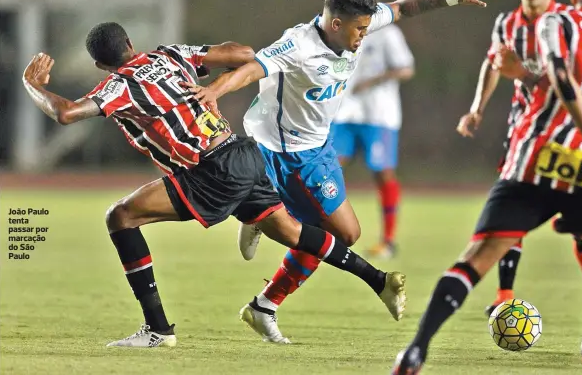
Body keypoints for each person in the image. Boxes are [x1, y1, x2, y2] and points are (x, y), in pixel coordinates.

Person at [20, 22, 408, 347]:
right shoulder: (169, 55)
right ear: (130, 44)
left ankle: (157, 330)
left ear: (100, 64)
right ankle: (379, 280)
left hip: (209, 172)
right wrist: (216, 81)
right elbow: (242, 53)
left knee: (120, 217)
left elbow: (66, 113)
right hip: (244, 152)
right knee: (292, 233)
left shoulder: (117, 86)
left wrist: (32, 84)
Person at [186, 0, 503, 343]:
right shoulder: (298, 45)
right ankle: (264, 234)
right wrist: (214, 90)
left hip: (318, 144)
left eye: (368, 28)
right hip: (288, 153)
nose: (364, 37)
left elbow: (404, 6)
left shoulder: (355, 27)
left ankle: (265, 234)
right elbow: (253, 67)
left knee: (331, 233)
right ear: (336, 24)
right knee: (345, 234)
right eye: (359, 29)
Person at [393, 0, 582, 375]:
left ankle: (416, 349)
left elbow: (561, 81)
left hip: (539, 152)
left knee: (478, 256)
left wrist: (523, 74)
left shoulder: (557, 24)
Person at [456, 0, 582, 317]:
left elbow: (572, 83)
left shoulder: (568, 23)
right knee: (510, 212)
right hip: (524, 133)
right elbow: (494, 63)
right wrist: (477, 109)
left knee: (580, 219)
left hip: (569, 133)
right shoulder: (506, 23)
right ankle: (503, 294)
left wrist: (524, 75)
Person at [330, 23, 415, 259]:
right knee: (328, 169)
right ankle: (322, 234)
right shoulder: (339, 32)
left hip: (379, 116)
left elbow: (406, 69)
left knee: (383, 173)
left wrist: (374, 80)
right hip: (344, 113)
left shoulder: (388, 33)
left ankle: (388, 242)